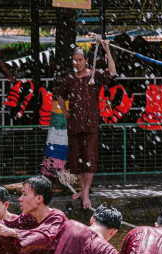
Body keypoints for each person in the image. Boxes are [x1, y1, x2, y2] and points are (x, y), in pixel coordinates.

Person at [56, 42, 117, 210]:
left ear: (86, 60)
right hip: (74, 125)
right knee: (77, 162)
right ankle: (83, 191)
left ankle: (86, 193)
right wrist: (64, 110)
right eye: (75, 61)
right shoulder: (69, 79)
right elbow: (59, 95)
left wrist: (107, 51)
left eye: (80, 60)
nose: (78, 63)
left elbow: (112, 72)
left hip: (90, 125)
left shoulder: (94, 76)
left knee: (89, 160)